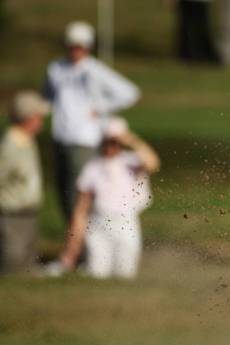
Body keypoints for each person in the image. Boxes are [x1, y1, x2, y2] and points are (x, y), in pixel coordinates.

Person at [43, 21, 140, 223]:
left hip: (85, 139)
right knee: (64, 192)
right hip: (61, 137)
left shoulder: (94, 70)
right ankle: (74, 240)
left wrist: (101, 108)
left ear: (87, 47)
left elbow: (129, 92)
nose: (76, 50)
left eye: (80, 46)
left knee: (81, 192)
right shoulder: (56, 69)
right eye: (72, 45)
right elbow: (48, 98)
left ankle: (86, 242)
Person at [56, 117, 160, 279]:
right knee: (97, 272)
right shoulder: (92, 167)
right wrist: (72, 248)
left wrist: (130, 139)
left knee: (125, 273)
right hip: (98, 224)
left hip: (125, 223)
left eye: (115, 142)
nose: (110, 146)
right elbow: (81, 210)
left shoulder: (131, 161)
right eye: (107, 141)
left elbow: (153, 163)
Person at [0, 91, 50, 274]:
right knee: (12, 262)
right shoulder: (10, 146)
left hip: (28, 212)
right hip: (12, 215)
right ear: (27, 117)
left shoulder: (27, 140)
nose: (41, 121)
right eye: (38, 117)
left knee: (27, 262)